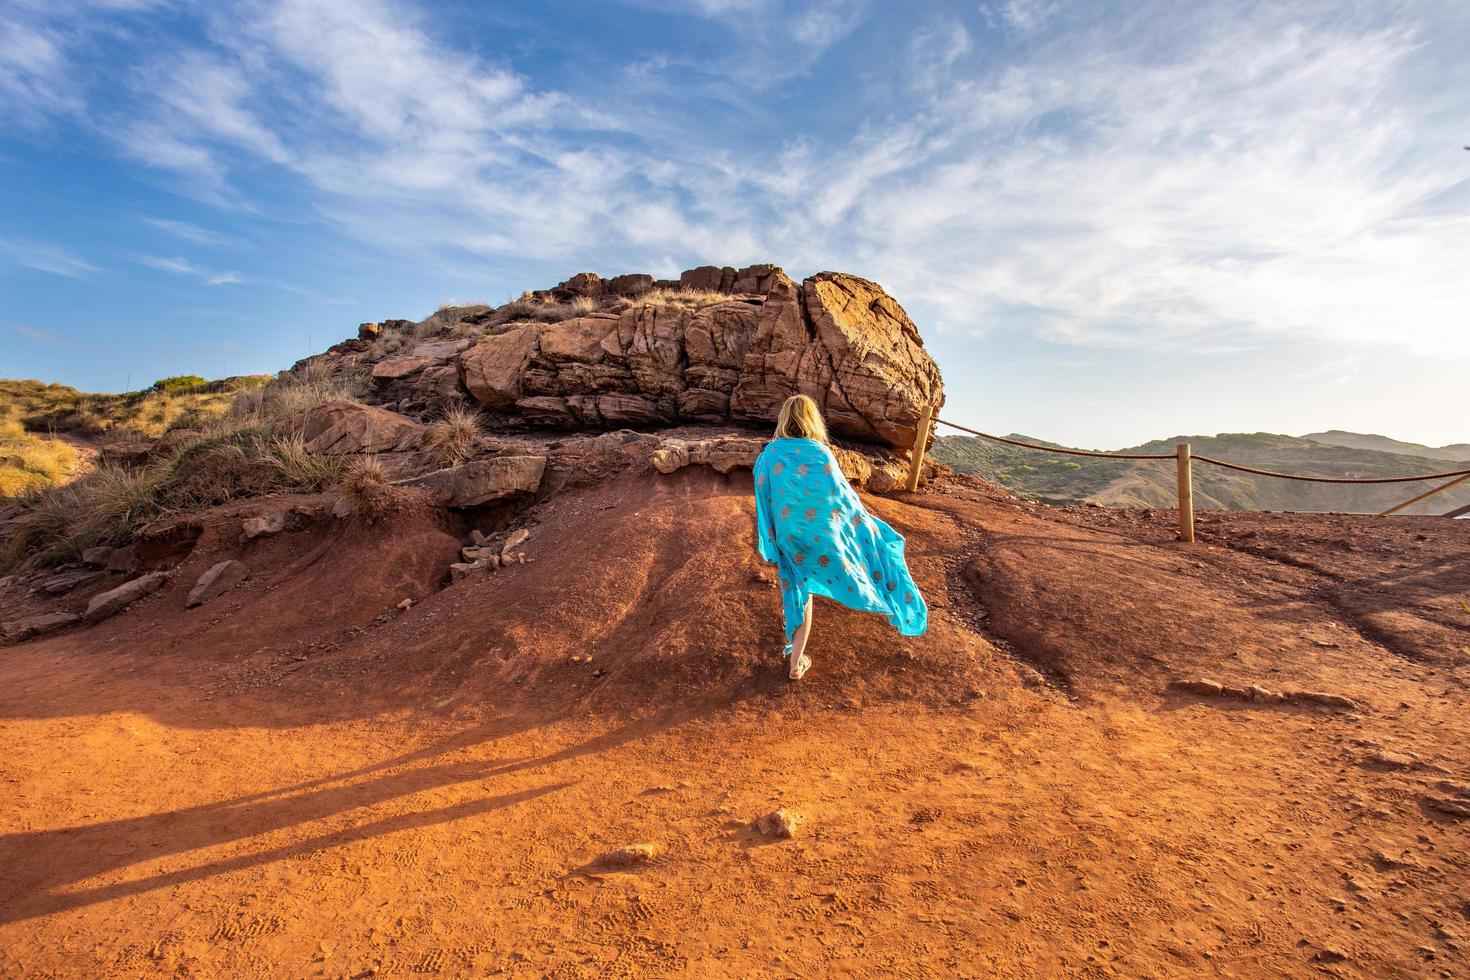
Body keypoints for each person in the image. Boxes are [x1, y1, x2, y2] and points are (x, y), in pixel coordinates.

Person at [753, 394, 928, 680]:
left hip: (789, 538)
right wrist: (865, 528)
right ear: (812, 419)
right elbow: (842, 500)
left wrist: (771, 539)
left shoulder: (769, 455)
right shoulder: (822, 454)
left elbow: (765, 499)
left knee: (800, 591)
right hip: (821, 538)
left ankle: (796, 659)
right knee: (807, 588)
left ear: (784, 418)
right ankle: (796, 663)